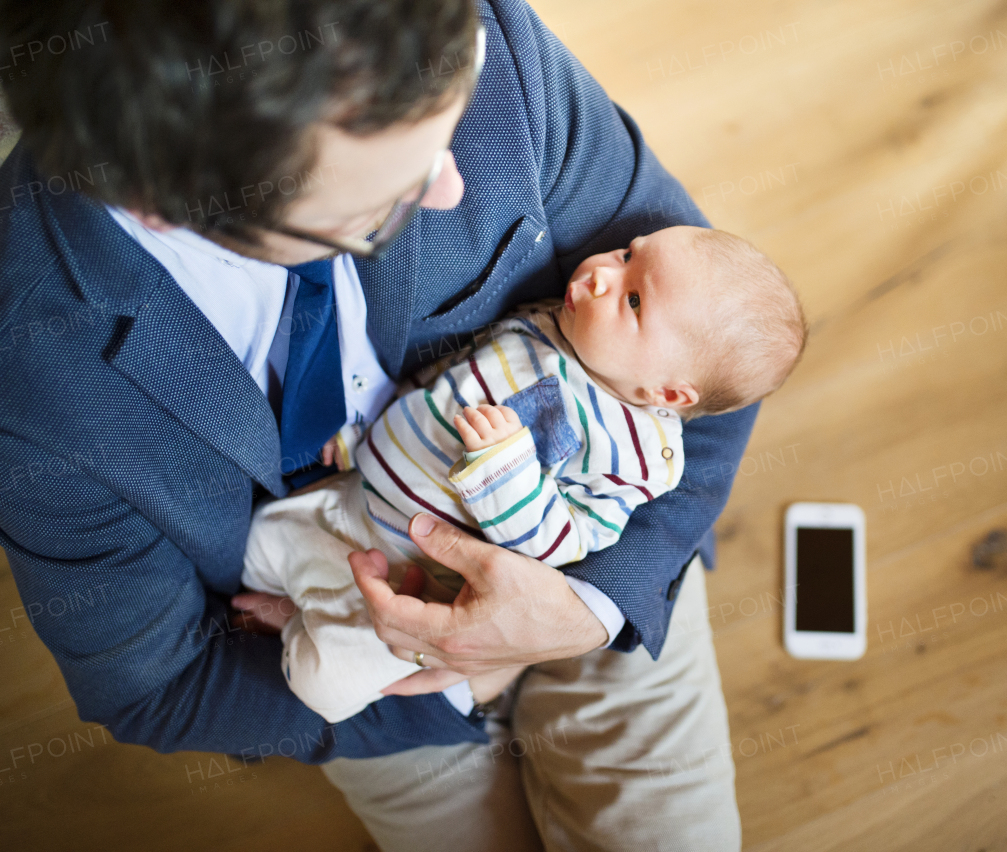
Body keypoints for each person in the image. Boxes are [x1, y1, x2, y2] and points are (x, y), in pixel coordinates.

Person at [0, 1, 761, 848]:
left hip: (595, 561)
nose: (451, 187)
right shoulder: (32, 374)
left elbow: (719, 340)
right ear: (158, 203)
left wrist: (585, 611)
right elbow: (157, 685)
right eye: (385, 205)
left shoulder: (478, 44)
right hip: (336, 644)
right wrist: (461, 682)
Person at [240, 226, 807, 723]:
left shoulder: (632, 455)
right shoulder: (546, 326)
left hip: (408, 576)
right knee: (256, 545)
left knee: (322, 685)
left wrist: (505, 471)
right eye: (627, 254)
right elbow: (446, 377)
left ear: (667, 392)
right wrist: (360, 429)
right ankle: (301, 598)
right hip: (352, 495)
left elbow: (563, 543)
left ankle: (299, 623)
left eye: (633, 301)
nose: (601, 275)